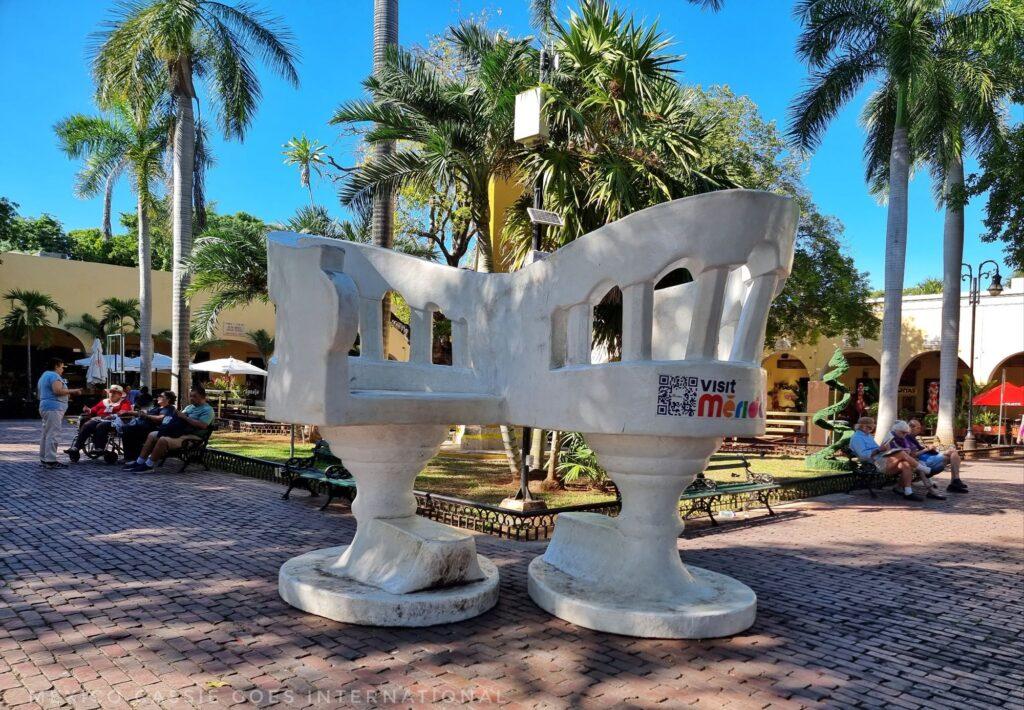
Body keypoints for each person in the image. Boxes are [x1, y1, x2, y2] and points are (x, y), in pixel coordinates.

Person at [125, 385, 215, 472]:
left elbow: (203, 425)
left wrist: (185, 417)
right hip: (179, 432)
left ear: (203, 397)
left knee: (163, 440)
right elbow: (180, 418)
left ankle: (148, 465)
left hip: (192, 437)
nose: (191, 398)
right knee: (152, 435)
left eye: (194, 396)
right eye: (190, 396)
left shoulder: (208, 410)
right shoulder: (189, 407)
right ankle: (139, 462)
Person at [849, 416, 925, 501]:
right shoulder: (857, 438)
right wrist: (879, 449)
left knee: (905, 464)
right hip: (873, 464)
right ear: (862, 426)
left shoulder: (868, 436)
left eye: (872, 427)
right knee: (901, 453)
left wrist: (886, 449)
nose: (871, 429)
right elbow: (863, 455)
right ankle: (922, 468)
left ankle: (908, 492)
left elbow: (877, 449)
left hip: (881, 459)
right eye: (870, 427)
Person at [38, 358, 83, 469]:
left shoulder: (44, 375)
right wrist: (73, 391)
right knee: (53, 434)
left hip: (46, 406)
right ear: (56, 366)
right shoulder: (54, 376)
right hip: (54, 408)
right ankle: (51, 460)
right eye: (62, 367)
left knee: (46, 434)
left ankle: (44, 459)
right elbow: (57, 391)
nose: (63, 369)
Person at [65, 384, 133, 458]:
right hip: (100, 419)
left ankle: (99, 448)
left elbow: (124, 412)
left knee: (101, 425)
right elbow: (93, 410)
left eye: (114, 392)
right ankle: (76, 447)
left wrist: (113, 416)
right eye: (110, 392)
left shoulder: (125, 402)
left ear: (120, 394)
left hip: (114, 422)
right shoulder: (104, 401)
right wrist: (88, 410)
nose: (111, 394)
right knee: (87, 424)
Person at [905, 419, 968, 494]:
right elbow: (913, 455)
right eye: (918, 428)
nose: (920, 430)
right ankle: (955, 481)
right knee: (953, 452)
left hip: (929, 458)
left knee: (953, 454)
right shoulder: (906, 438)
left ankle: (954, 482)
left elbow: (919, 449)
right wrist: (927, 449)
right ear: (911, 428)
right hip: (924, 462)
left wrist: (930, 449)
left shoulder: (912, 437)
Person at [120, 390, 176, 461]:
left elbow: (160, 418)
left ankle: (131, 458)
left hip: (152, 429)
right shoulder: (158, 407)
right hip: (142, 426)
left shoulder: (168, 408)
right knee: (125, 428)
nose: (158, 397)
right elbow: (142, 412)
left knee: (128, 429)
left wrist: (146, 416)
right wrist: (127, 412)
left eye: (161, 396)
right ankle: (130, 457)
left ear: (168, 399)